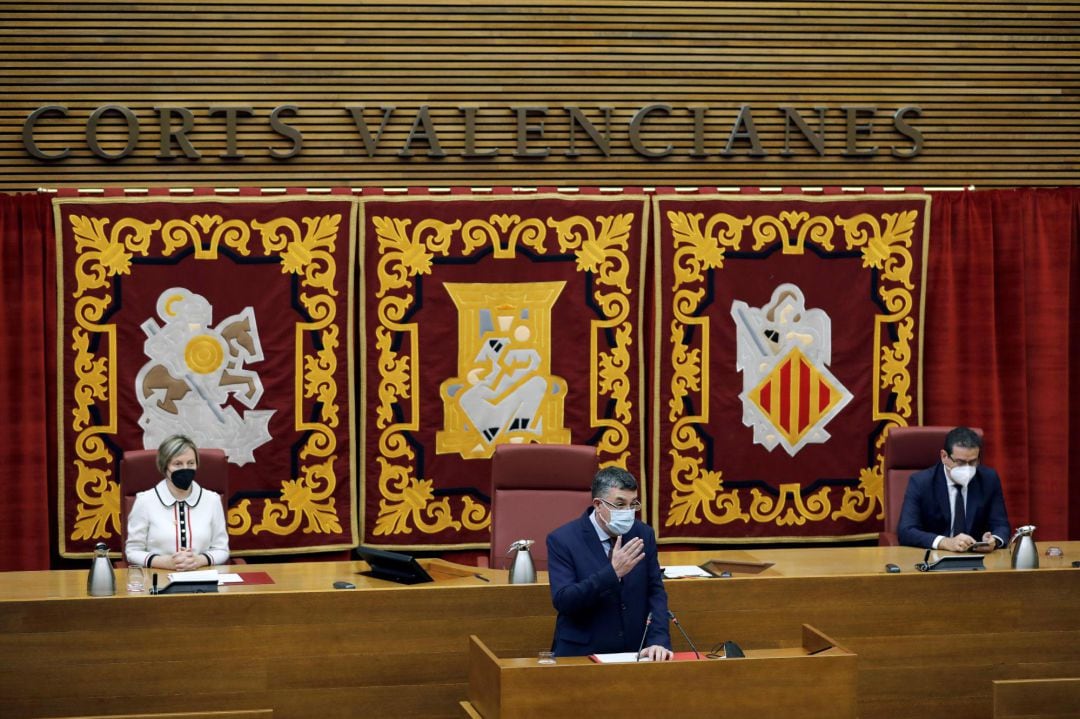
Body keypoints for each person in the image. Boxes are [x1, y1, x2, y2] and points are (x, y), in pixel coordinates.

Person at [546, 466, 673, 660]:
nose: (628, 512)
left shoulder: (643, 534)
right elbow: (564, 601)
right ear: (598, 504)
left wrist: (658, 639)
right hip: (582, 653)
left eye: (633, 504)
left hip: (635, 651)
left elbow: (655, 591)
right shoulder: (563, 539)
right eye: (620, 504)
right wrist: (612, 573)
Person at [897, 426, 1010, 552]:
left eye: (973, 462)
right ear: (944, 456)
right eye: (960, 462)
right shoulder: (921, 482)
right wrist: (945, 542)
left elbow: (1001, 525)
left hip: (976, 558)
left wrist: (993, 540)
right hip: (936, 557)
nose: (967, 469)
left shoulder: (988, 479)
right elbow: (906, 531)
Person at [125, 434, 230, 569]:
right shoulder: (145, 501)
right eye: (178, 464)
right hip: (158, 580)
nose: (185, 469)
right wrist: (165, 563)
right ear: (165, 467)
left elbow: (222, 550)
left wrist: (198, 560)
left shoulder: (212, 500)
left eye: (191, 463)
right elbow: (132, 551)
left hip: (202, 579)